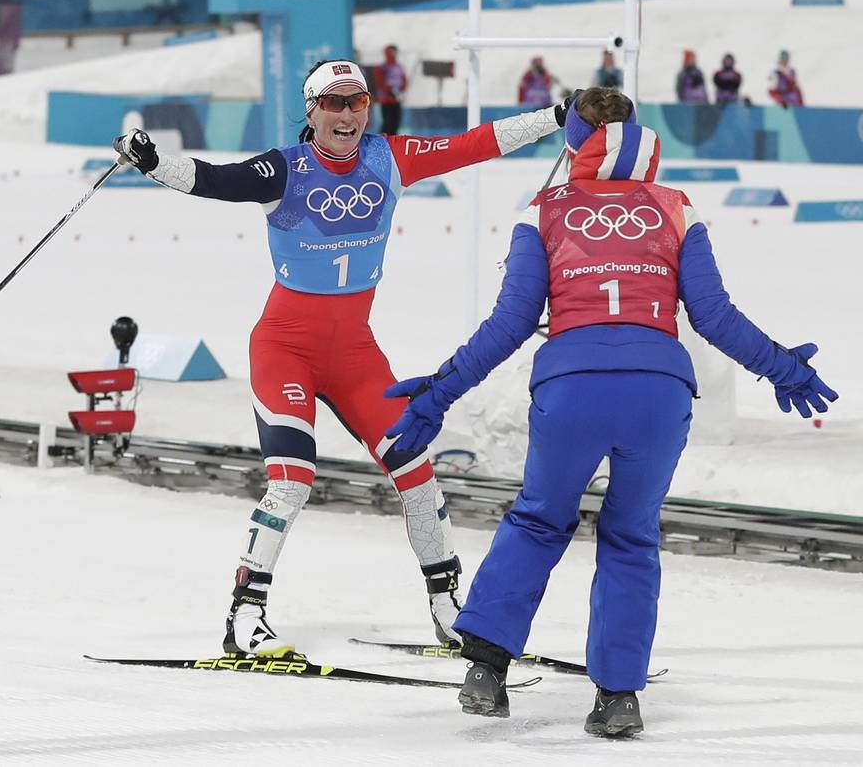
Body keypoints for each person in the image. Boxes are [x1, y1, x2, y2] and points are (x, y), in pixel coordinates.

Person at [384, 87, 837, 736]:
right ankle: (619, 697)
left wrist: (439, 392)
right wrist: (782, 367)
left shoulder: (543, 210)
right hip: (659, 392)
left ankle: (486, 666)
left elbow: (510, 324)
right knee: (631, 536)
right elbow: (712, 316)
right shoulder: (677, 209)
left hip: (572, 386)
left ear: (572, 144)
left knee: (539, 519)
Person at [113, 60, 570, 655]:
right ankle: (245, 617)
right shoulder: (284, 168)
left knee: (419, 474)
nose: (348, 115)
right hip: (286, 348)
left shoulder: (391, 157)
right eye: (334, 104)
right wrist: (151, 162)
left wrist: (555, 118)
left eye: (357, 103)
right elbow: (214, 178)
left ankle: (447, 606)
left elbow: (474, 144)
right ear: (311, 111)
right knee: (292, 484)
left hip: (354, 351)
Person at [373, 45, 407, 135]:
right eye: (392, 52)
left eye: (395, 52)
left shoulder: (399, 67)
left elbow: (404, 80)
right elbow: (380, 82)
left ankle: (393, 142)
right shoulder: (382, 67)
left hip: (396, 99)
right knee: (387, 123)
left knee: (395, 123)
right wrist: (390, 91)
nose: (394, 54)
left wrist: (401, 90)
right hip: (386, 100)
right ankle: (381, 143)